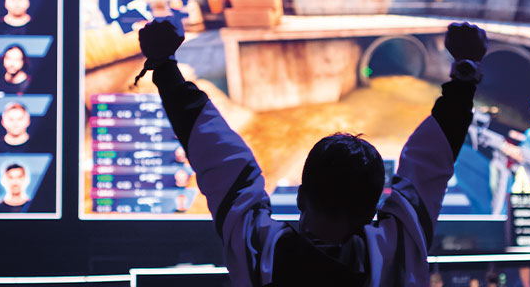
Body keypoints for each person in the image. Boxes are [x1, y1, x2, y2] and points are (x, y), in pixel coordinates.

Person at [136, 19, 487, 285]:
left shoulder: (261, 253)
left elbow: (219, 158)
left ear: (302, 197)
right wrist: (465, 74)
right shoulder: (394, 255)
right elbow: (429, 161)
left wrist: (164, 67)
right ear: (373, 209)